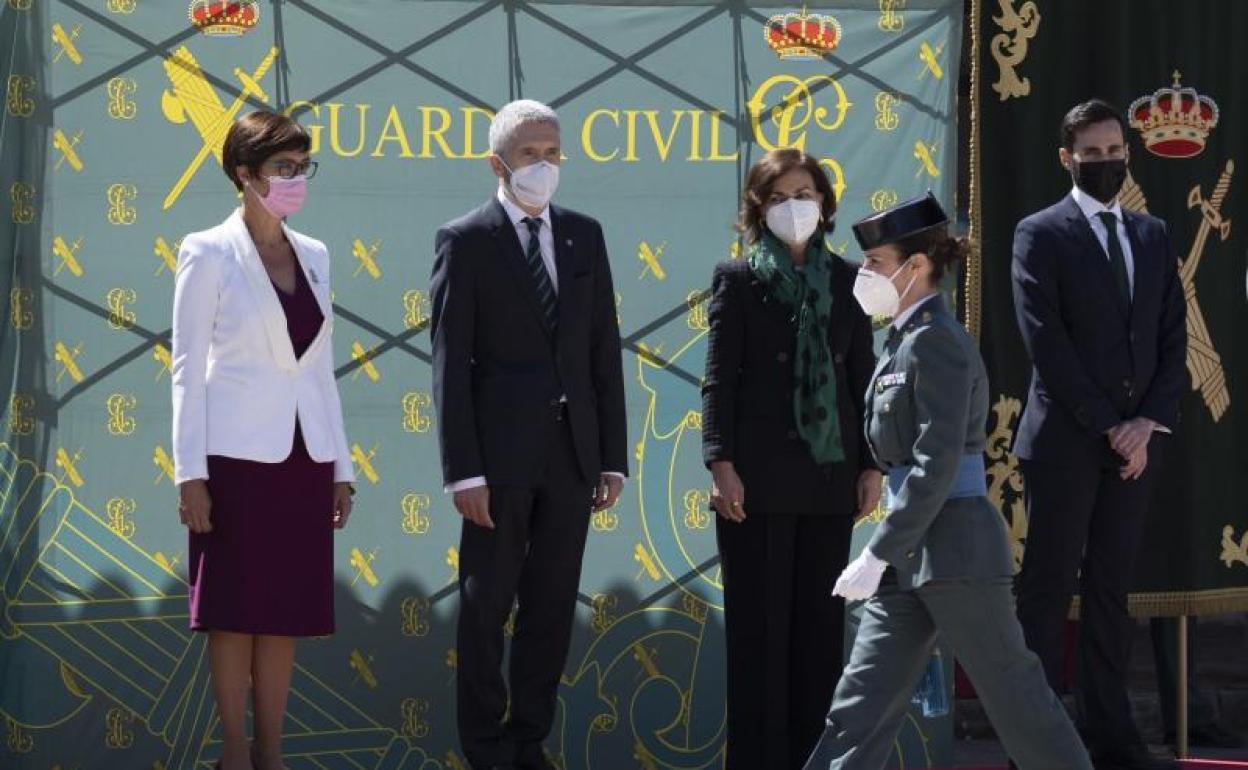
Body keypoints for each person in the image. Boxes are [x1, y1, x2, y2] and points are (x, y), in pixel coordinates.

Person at [802, 193, 1092, 770]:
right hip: (909, 554)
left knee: (1017, 697)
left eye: (876, 262)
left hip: (955, 550)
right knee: (859, 706)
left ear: (916, 266)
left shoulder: (936, 342)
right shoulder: (903, 341)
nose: (865, 274)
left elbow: (935, 463)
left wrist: (877, 553)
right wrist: (888, 553)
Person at [430, 99, 628, 770]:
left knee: (551, 608)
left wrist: (611, 458)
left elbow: (602, 348)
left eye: (551, 153)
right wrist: (464, 471)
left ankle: (528, 741)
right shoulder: (466, 240)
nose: (542, 165)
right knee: (486, 609)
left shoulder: (584, 235)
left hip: (572, 457)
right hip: (497, 462)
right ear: (497, 163)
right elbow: (451, 362)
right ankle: (485, 748)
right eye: (528, 154)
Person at [172, 110, 355, 770]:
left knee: (284, 613)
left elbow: (321, 369)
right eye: (282, 167)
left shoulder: (316, 254)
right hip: (233, 462)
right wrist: (190, 474)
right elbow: (187, 367)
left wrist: (340, 466)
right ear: (244, 174)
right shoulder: (207, 251)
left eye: (302, 166)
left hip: (304, 459)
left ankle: (272, 754)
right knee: (233, 613)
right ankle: (234, 751)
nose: (295, 178)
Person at [1011, 99, 1187, 770]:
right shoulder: (1039, 234)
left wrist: (1145, 425)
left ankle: (1112, 737)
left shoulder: (1153, 234)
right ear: (1067, 158)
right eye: (1093, 154)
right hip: (1066, 443)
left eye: (1115, 151)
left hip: (1135, 446)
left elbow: (1172, 336)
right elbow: (1047, 344)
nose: (1107, 162)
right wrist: (1111, 425)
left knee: (1112, 591)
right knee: (1047, 588)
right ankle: (1035, 742)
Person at [701, 148, 881, 769]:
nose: (793, 208)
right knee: (758, 638)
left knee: (817, 640)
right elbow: (719, 381)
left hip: (829, 482)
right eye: (778, 198)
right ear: (758, 209)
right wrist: (721, 463)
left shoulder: (851, 281)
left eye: (804, 195)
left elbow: (863, 380)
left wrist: (871, 465)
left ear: (825, 204)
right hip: (753, 486)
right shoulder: (737, 279)